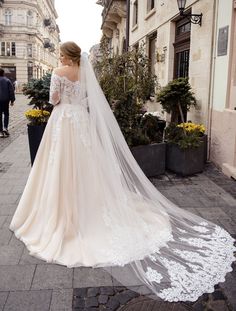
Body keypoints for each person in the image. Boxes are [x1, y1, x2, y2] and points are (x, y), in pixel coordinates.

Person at [9, 42, 235, 302]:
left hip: (63, 121)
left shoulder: (59, 72)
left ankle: (61, 210)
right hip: (80, 122)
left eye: (61, 54)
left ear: (68, 56)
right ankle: (92, 206)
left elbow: (54, 100)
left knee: (59, 165)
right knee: (88, 166)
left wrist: (62, 95)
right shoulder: (85, 73)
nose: (59, 57)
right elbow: (87, 100)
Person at [0, 68, 15, 137]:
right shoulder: (7, 80)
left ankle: (0, 131)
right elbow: (11, 91)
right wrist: (12, 100)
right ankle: (5, 128)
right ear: (3, 73)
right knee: (6, 114)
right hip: (5, 100)